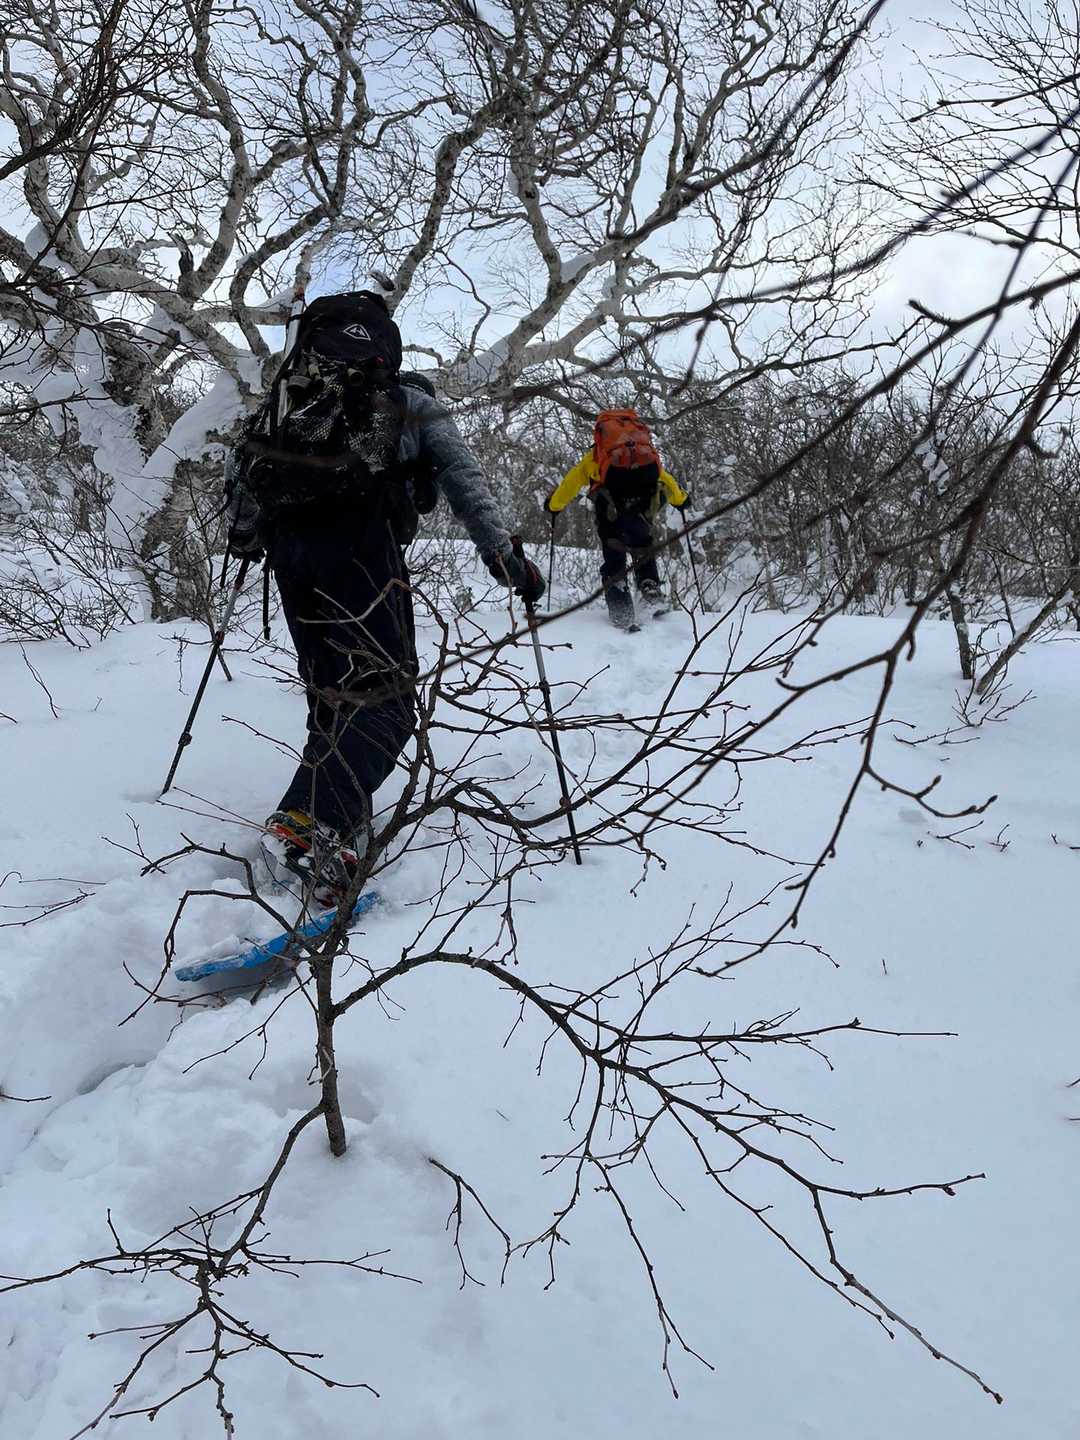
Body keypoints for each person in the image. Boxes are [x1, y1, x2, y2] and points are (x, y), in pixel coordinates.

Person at [225, 282, 543, 902]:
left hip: (292, 558)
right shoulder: (411, 402)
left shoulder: (287, 397)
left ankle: (332, 823)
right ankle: (310, 826)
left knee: (332, 694)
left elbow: (244, 473)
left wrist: (245, 537)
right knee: (388, 700)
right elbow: (463, 477)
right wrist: (504, 557)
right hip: (363, 553)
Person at [545, 409, 688, 629]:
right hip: (641, 509)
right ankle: (650, 592)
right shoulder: (643, 454)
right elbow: (664, 477)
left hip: (609, 509)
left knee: (614, 552)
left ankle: (621, 608)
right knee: (643, 546)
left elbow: (570, 484)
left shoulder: (596, 457)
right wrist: (681, 500)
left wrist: (554, 506)